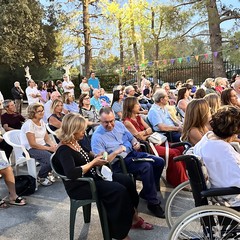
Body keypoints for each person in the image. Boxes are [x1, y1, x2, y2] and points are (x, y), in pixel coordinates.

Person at [53, 113, 153, 239]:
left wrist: (96, 155)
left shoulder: (75, 142)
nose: (84, 131)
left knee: (127, 181)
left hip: (93, 177)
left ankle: (133, 217)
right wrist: (93, 163)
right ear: (73, 131)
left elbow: (86, 154)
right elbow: (72, 173)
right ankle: (120, 234)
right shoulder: (64, 150)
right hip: (81, 185)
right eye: (81, 130)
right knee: (118, 191)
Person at [91, 107, 165, 218]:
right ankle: (153, 203)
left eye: (111, 121)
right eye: (106, 122)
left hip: (133, 154)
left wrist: (136, 143)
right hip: (119, 162)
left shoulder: (119, 125)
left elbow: (132, 138)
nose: (110, 124)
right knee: (146, 166)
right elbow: (104, 160)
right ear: (100, 121)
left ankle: (146, 191)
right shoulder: (97, 137)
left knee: (159, 161)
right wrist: (117, 151)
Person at [122, 97, 188, 187]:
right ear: (131, 106)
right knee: (174, 152)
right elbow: (139, 138)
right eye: (137, 104)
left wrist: (144, 133)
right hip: (144, 146)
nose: (139, 105)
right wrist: (146, 133)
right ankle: (181, 182)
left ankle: (176, 177)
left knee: (180, 147)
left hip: (151, 141)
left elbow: (150, 130)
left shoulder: (138, 117)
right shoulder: (127, 122)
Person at [194, 106, 240, 207]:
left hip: (217, 188)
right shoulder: (223, 149)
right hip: (229, 197)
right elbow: (237, 180)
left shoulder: (207, 138)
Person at [20, 103, 57, 186]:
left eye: (42, 110)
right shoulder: (29, 124)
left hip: (41, 145)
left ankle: (49, 172)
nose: (42, 112)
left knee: (59, 153)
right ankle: (41, 177)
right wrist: (49, 149)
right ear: (33, 113)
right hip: (30, 149)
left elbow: (47, 138)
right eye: (38, 111)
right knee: (49, 159)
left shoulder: (41, 122)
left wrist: (53, 146)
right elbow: (32, 144)